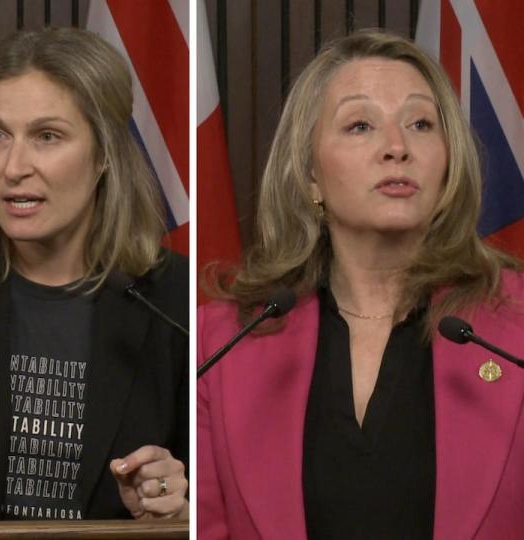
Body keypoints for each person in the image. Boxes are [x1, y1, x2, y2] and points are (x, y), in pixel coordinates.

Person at [198, 29, 524, 539]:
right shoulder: (221, 342)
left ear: (448, 161)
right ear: (308, 174)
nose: (397, 148)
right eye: (359, 126)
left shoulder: (515, 326)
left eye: (420, 123)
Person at [0, 27, 189, 521]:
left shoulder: (169, 296)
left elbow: (203, 490)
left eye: (47, 136)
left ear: (103, 156)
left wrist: (177, 500)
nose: (13, 167)